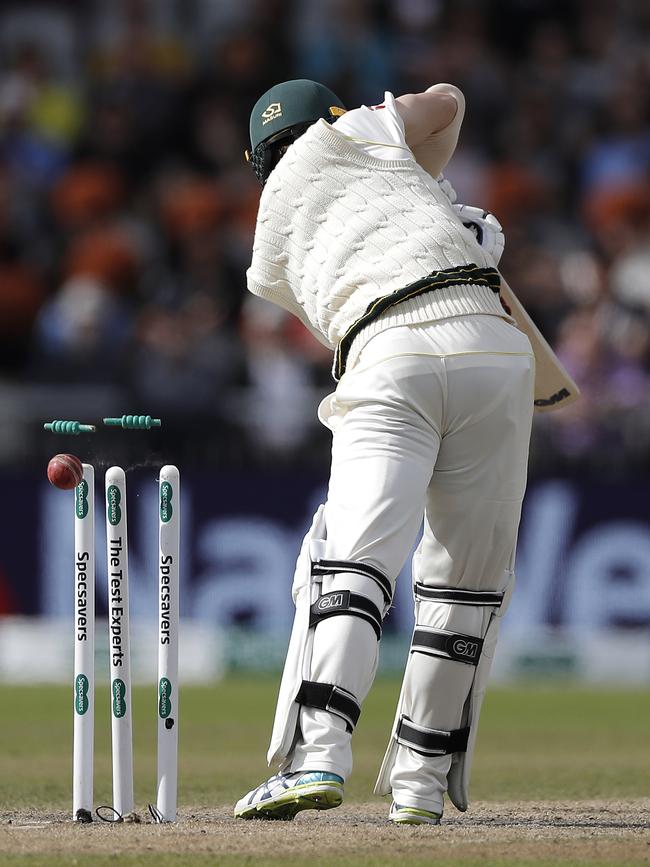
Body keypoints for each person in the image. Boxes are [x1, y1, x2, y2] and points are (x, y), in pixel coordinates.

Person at [234, 79, 535, 825]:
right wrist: (434, 191)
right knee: (466, 580)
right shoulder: (363, 129)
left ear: (258, 164)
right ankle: (421, 786)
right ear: (331, 117)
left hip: (385, 347)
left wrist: (418, 199)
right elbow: (450, 99)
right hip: (496, 347)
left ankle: (318, 757)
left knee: (353, 558)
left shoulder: (265, 254)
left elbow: (350, 287)